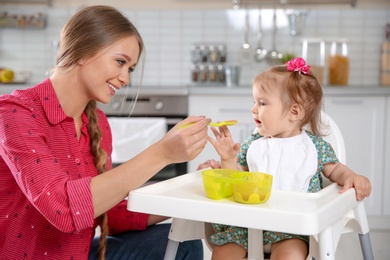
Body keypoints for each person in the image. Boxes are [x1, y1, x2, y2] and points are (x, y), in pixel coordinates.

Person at [0, 5, 209, 260]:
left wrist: (192, 189)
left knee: (185, 245)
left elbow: (113, 212)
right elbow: (64, 208)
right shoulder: (15, 113)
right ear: (82, 51)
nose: (125, 79)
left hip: (79, 253)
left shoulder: (96, 122)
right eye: (120, 62)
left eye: (130, 69)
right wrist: (162, 153)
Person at [200, 57, 372, 260]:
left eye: (262, 103)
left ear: (294, 111)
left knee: (289, 255)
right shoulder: (253, 145)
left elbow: (335, 171)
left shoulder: (314, 148)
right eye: (254, 101)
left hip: (292, 228)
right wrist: (228, 158)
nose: (253, 109)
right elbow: (237, 180)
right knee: (223, 254)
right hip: (246, 225)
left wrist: (351, 176)